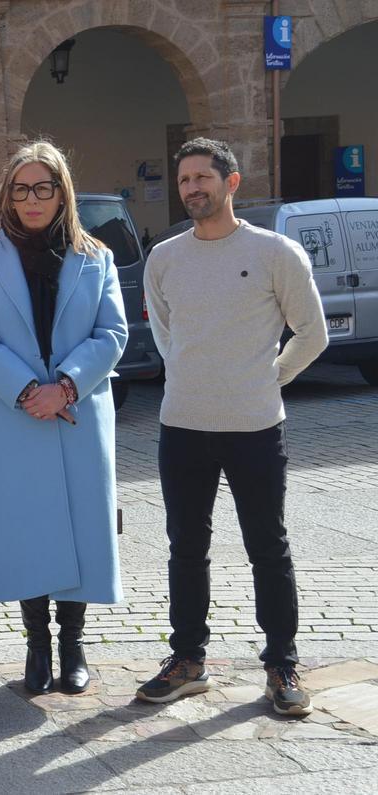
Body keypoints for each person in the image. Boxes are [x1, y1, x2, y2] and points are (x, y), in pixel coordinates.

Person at [137, 138, 327, 715]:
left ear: (232, 182)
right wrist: (191, 374)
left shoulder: (276, 252)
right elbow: (166, 335)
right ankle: (187, 660)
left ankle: (282, 665)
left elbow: (312, 333)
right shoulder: (164, 258)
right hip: (182, 426)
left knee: (268, 547)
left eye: (203, 177)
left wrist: (270, 377)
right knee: (185, 547)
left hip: (255, 427)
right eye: (184, 179)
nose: (192, 188)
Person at [0, 141, 127, 695]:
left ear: (62, 193)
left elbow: (112, 333)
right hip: (15, 414)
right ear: (7, 196)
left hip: (76, 411)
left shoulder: (96, 257)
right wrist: (30, 389)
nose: (32, 200)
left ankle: (73, 644)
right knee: (27, 528)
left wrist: (66, 387)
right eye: (21, 189)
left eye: (43, 188)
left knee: (79, 528)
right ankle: (36, 644)